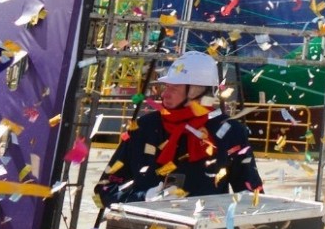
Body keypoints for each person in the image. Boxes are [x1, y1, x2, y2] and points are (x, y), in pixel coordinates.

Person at [93, 51, 263, 206]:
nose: (164, 94)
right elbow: (104, 191)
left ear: (197, 91)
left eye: (174, 88)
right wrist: (144, 197)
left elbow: (251, 197)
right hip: (143, 227)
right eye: (166, 87)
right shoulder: (144, 127)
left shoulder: (230, 132)